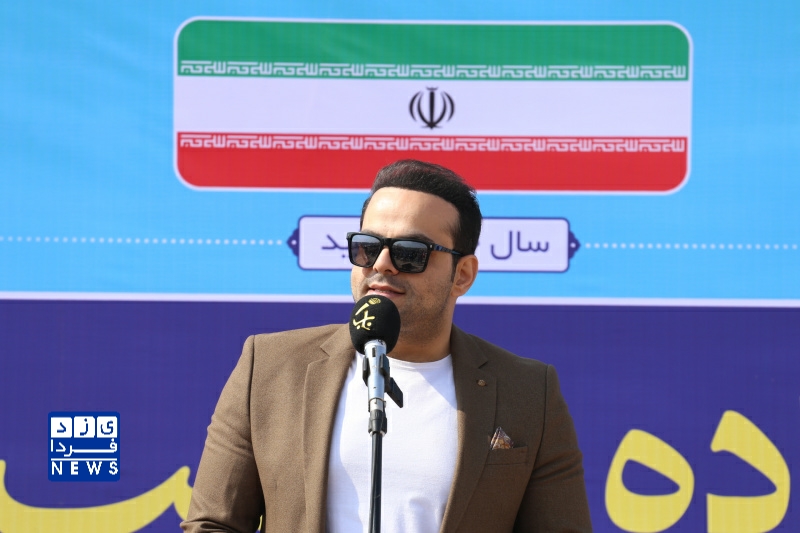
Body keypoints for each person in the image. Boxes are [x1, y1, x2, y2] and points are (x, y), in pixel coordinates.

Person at [182, 160, 591, 532]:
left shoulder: (528, 392)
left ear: (462, 275)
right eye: (367, 246)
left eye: (410, 254)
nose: (381, 264)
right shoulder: (270, 367)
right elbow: (213, 525)